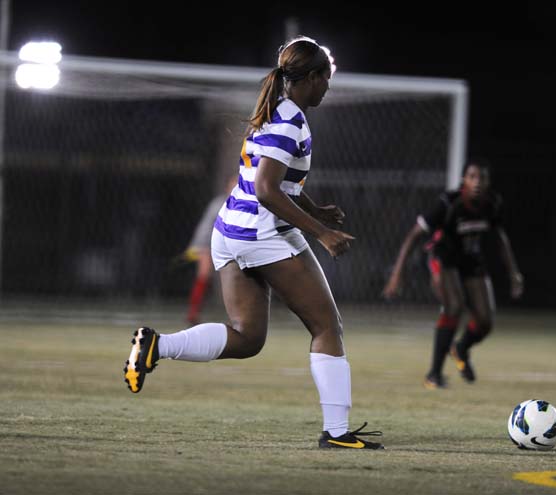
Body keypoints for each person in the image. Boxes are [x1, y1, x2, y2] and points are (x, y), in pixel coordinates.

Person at [123, 36, 383, 450]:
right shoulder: (289, 121)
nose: (328, 87)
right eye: (326, 79)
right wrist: (323, 234)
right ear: (311, 78)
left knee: (247, 338)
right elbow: (266, 189)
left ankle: (158, 345)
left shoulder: (274, 110)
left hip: (230, 232)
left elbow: (276, 181)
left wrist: (314, 211)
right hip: (264, 234)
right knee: (326, 326)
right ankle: (336, 433)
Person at [382, 158, 524, 389]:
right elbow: (414, 236)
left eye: (482, 178)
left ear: (488, 183)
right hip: (443, 258)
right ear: (463, 180)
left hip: (470, 260)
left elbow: (500, 238)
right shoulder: (448, 204)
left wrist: (514, 273)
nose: (477, 182)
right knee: (454, 306)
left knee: (485, 321)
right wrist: (397, 274)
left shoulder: (492, 204)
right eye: (472, 177)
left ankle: (460, 348)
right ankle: (433, 375)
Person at [181, 193, 227, 325]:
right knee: (204, 275)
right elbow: (206, 226)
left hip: (229, 244)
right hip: (208, 244)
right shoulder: (218, 203)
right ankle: (193, 313)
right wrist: (197, 245)